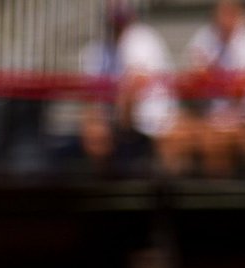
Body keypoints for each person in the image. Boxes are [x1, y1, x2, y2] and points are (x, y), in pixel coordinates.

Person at [78, 3, 182, 176]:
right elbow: (92, 98)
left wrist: (121, 124)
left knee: (173, 136)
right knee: (94, 130)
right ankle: (101, 184)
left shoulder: (144, 39)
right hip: (116, 118)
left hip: (153, 117)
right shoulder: (96, 50)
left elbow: (134, 87)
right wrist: (97, 120)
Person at [178, 0, 245, 178]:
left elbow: (243, 90)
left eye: (231, 13)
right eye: (221, 13)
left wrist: (214, 77)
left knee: (214, 140)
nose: (225, 19)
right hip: (213, 116)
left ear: (240, 15)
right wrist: (200, 77)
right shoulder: (205, 37)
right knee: (178, 135)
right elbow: (189, 83)